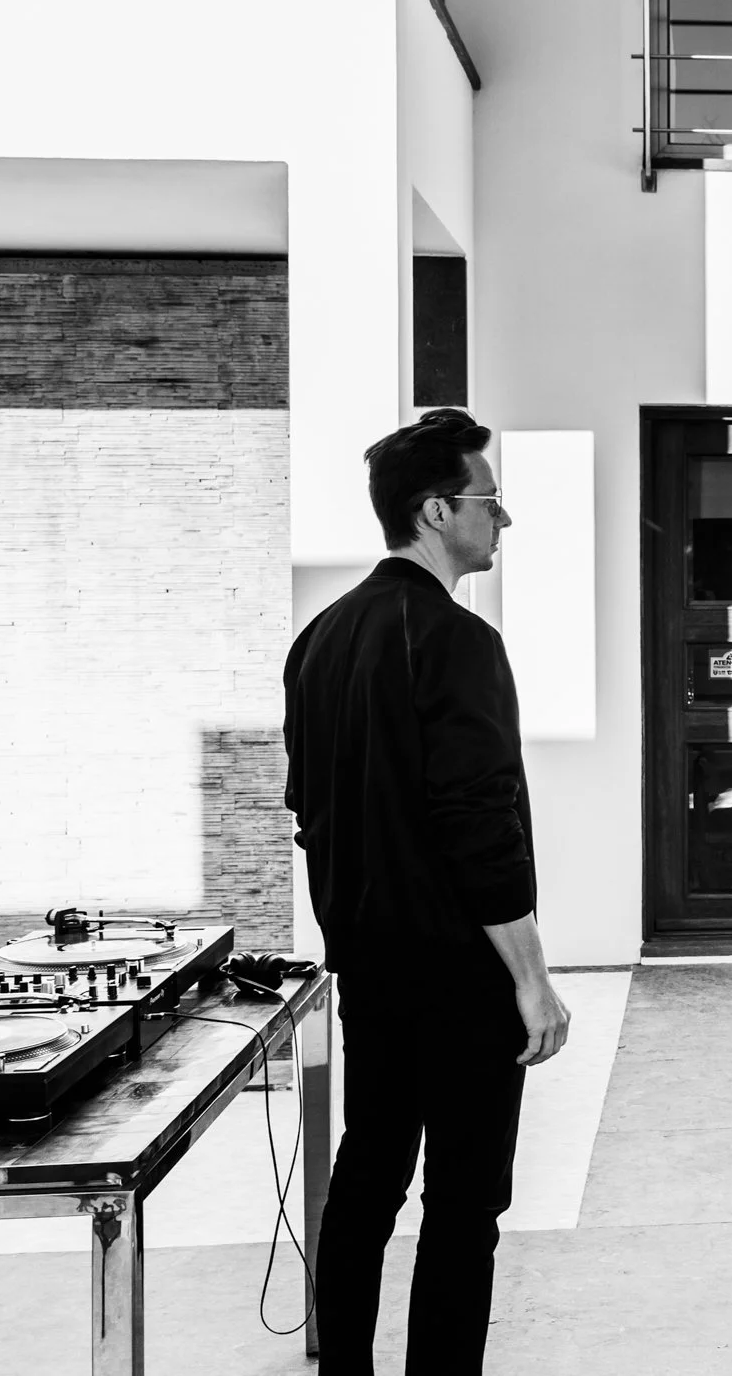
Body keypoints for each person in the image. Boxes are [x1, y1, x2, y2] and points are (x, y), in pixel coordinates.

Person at [283, 407, 572, 1375]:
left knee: (366, 1176)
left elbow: (307, 809)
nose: (504, 521)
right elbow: (479, 825)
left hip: (368, 964)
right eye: (490, 501)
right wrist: (530, 979)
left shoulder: (320, 639)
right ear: (438, 509)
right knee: (462, 1202)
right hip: (455, 973)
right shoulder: (456, 641)